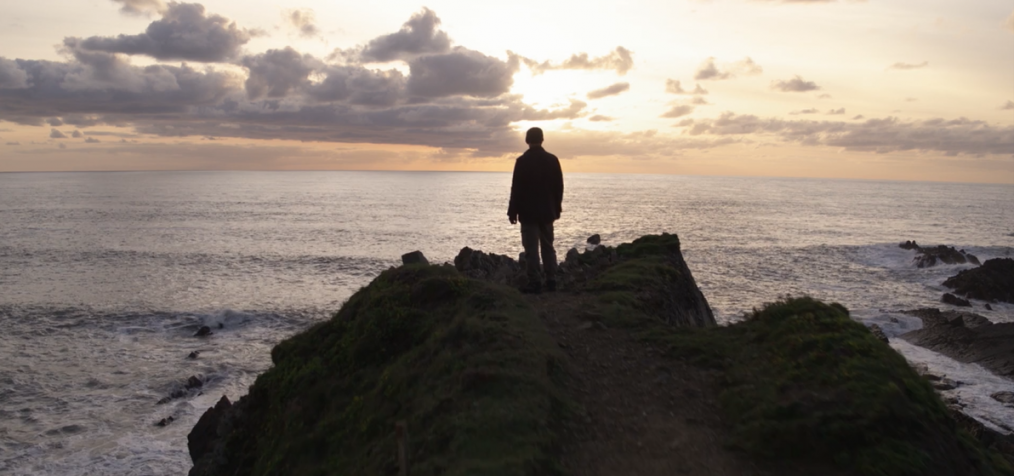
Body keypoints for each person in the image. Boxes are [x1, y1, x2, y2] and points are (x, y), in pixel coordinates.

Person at [507, 127, 563, 294]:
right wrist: (557, 208)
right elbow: (558, 187)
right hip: (547, 211)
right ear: (543, 139)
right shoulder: (553, 160)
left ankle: (535, 282)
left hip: (528, 213)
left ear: (526, 140)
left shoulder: (522, 161)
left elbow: (516, 189)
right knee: (548, 246)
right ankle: (551, 280)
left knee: (531, 249)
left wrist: (512, 211)